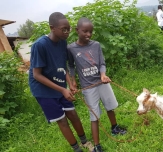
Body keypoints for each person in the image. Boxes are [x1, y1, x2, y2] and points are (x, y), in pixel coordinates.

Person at [28, 12, 93, 152]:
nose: (67, 32)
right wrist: (62, 90)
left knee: (73, 114)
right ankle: (77, 149)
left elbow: (62, 66)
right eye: (64, 29)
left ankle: (85, 142)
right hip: (43, 89)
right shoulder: (40, 45)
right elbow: (37, 75)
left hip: (59, 84)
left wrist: (69, 84)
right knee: (62, 120)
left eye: (69, 28)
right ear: (52, 28)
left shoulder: (62, 42)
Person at [67, 17, 127, 152]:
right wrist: (73, 80)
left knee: (110, 107)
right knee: (94, 116)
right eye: (85, 31)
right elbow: (70, 65)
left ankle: (114, 128)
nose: (88, 34)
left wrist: (103, 75)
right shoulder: (71, 48)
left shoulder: (96, 45)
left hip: (102, 83)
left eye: (91, 32)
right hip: (89, 88)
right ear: (77, 30)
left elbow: (102, 63)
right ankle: (97, 146)